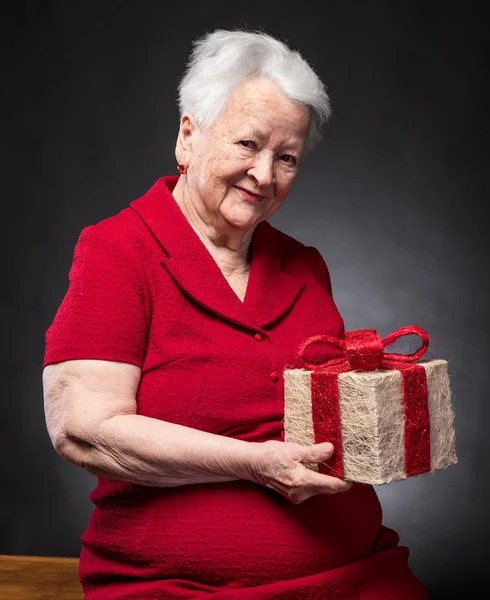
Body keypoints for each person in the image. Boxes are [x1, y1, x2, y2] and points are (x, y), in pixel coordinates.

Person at [42, 29, 430, 599]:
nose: (265, 175)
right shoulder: (118, 251)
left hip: (354, 572)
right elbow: (84, 430)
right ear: (188, 135)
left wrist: (392, 411)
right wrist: (254, 463)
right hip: (178, 583)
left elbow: (324, 421)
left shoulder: (304, 264)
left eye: (287, 157)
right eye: (247, 144)